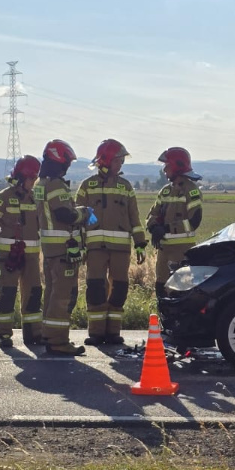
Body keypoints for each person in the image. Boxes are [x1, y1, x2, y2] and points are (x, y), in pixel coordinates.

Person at [75, 139, 147, 346]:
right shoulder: (87, 186)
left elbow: (134, 218)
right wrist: (79, 245)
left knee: (119, 289)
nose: (121, 164)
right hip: (95, 248)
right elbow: (77, 218)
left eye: (122, 160)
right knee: (95, 288)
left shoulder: (126, 187)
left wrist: (140, 243)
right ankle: (96, 332)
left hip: (121, 249)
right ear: (105, 160)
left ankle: (113, 332)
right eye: (118, 160)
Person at [34, 139, 89, 357]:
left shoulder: (40, 184)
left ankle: (49, 334)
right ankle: (58, 341)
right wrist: (83, 214)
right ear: (60, 161)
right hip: (63, 250)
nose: (67, 166)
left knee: (52, 293)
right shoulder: (56, 185)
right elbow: (64, 214)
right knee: (63, 296)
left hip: (50, 249)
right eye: (67, 162)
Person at [0, 155, 43, 350]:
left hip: (31, 258)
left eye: (35, 178)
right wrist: (1, 241)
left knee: (33, 295)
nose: (34, 182)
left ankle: (33, 334)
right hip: (9, 257)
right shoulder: (4, 197)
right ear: (21, 177)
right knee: (7, 294)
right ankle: (4, 334)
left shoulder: (35, 197)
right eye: (32, 178)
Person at [146, 146, 202, 300]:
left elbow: (194, 221)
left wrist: (166, 228)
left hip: (182, 250)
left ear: (178, 166)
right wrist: (153, 227)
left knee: (180, 291)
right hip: (164, 250)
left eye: (167, 166)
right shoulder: (165, 191)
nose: (164, 170)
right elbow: (152, 214)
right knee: (161, 288)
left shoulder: (191, 191)